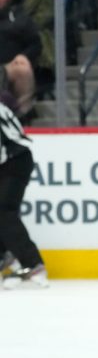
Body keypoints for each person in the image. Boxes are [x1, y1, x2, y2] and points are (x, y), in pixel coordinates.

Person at [0, 94, 48, 289]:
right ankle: (5, 255)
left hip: (13, 162)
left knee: (4, 212)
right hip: (15, 160)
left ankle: (32, 263)